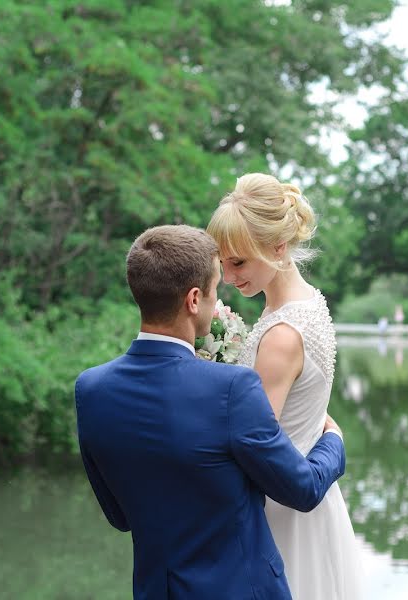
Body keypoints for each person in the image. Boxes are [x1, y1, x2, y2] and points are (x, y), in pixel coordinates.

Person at [74, 224, 347, 600]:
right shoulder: (232, 389)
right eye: (217, 286)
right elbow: (302, 489)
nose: (220, 296)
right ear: (193, 300)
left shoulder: (91, 390)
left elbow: (120, 516)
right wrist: (333, 440)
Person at [207, 173, 363, 600]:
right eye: (223, 262)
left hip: (283, 510)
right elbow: (311, 406)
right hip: (313, 493)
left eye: (238, 262)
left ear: (278, 248)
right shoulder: (308, 302)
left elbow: (254, 447)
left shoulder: (281, 336)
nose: (227, 276)